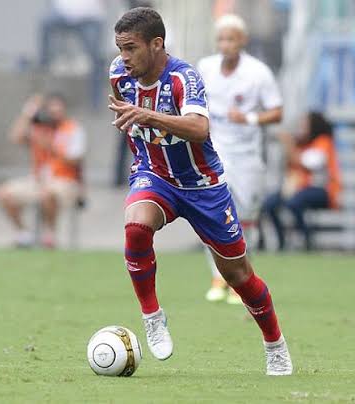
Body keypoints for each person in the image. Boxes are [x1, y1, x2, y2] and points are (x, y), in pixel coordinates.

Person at [108, 7, 292, 375]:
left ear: (156, 44)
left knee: (238, 275)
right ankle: (152, 316)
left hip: (202, 186)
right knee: (136, 226)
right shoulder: (118, 74)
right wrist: (140, 132)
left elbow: (198, 129)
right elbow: (129, 120)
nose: (124, 57)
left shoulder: (184, 78)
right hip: (155, 175)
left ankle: (275, 345)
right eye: (120, 48)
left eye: (131, 48)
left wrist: (148, 117)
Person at [197, 14, 283, 305]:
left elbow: (277, 112)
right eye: (221, 39)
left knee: (246, 217)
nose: (225, 44)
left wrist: (247, 118)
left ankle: (242, 281)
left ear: (242, 41)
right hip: (215, 152)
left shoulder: (258, 73)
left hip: (247, 155)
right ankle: (218, 278)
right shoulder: (205, 68)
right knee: (214, 215)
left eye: (231, 39)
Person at [0, 93, 86, 249]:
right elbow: (15, 137)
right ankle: (23, 235)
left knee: (47, 194)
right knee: (4, 193)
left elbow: (76, 159)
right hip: (38, 179)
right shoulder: (39, 128)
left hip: (65, 181)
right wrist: (28, 113)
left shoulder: (72, 129)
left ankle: (49, 235)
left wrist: (51, 147)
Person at [262, 112, 341, 251]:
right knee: (269, 204)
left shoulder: (323, 142)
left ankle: (306, 239)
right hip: (299, 190)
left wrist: (288, 144)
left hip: (323, 190)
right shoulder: (301, 144)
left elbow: (308, 163)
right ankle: (282, 242)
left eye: (305, 125)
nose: (301, 128)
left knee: (295, 202)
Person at [39, 0, 106, 110]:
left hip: (90, 17)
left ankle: (96, 102)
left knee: (97, 58)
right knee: (44, 24)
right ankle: (43, 67)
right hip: (63, 13)